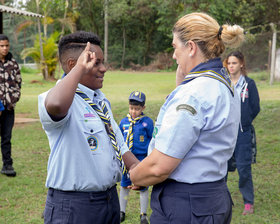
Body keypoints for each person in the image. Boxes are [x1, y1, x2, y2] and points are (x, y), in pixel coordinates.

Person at [129, 12, 244, 224]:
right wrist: (184, 79)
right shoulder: (224, 82)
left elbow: (159, 167)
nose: (173, 55)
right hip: (212, 196)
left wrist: (136, 175)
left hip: (186, 204)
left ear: (191, 47)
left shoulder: (194, 93)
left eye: (175, 47)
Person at [38, 31, 139, 224]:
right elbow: (57, 106)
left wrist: (136, 167)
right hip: (75, 206)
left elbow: (117, 142)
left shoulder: (99, 100)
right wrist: (78, 70)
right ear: (73, 65)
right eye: (96, 62)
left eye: (103, 62)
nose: (104, 68)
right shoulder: (56, 98)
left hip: (109, 200)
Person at [224, 51, 260, 215]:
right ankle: (222, 201)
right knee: (221, 168)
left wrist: (244, 122)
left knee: (244, 169)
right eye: (229, 63)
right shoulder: (224, 83)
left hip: (243, 134)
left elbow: (255, 107)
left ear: (241, 64)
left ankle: (248, 202)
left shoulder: (249, 84)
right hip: (224, 134)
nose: (231, 66)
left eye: (234, 63)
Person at [119, 91, 154, 224]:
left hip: (141, 159)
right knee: (124, 186)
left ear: (143, 108)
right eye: (132, 108)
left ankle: (143, 214)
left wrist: (149, 157)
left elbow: (152, 140)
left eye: (137, 109)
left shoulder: (147, 123)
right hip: (126, 160)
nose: (134, 111)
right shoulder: (123, 123)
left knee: (143, 186)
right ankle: (122, 211)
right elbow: (119, 140)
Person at [0, 34, 21, 177]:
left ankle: (7, 165)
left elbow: (18, 84)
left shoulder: (13, 63)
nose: (5, 48)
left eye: (6, 45)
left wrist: (12, 102)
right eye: (1, 46)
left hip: (9, 109)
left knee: (6, 138)